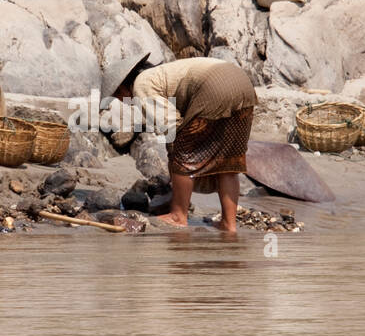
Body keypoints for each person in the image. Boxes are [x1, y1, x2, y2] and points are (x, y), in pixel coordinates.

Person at [100, 53, 257, 231]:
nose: (122, 101)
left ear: (122, 88)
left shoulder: (141, 85)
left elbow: (172, 126)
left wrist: (175, 160)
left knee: (184, 153)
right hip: (242, 83)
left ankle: (178, 215)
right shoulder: (161, 74)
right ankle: (229, 224)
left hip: (214, 88)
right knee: (228, 162)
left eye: (118, 96)